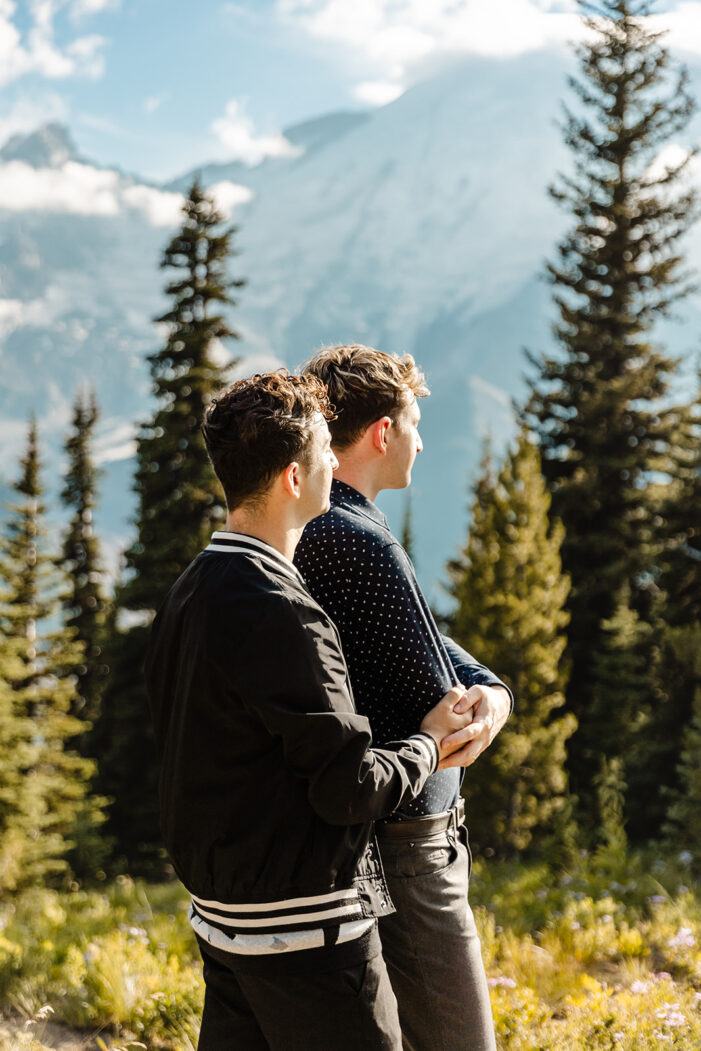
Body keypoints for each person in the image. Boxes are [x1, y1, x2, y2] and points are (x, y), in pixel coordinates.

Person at [145, 370, 476, 1051]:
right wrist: (428, 744)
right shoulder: (283, 609)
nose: (336, 464)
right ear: (294, 478)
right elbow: (348, 786)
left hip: (224, 925)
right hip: (309, 938)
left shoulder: (192, 588)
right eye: (326, 450)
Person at [295, 345, 514, 1051]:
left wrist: (490, 688)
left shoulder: (324, 526)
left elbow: (423, 637)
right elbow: (436, 697)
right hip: (409, 836)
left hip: (374, 825)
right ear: (382, 432)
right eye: (413, 422)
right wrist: (478, 699)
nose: (420, 439)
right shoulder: (354, 539)